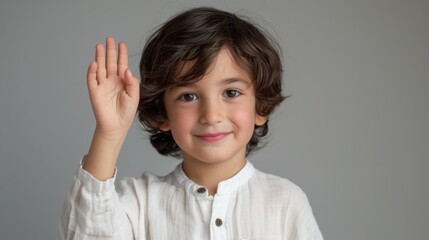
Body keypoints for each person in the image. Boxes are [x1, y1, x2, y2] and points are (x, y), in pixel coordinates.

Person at [59, 7, 323, 239]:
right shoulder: (140, 203)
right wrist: (109, 133)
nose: (211, 115)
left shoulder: (285, 202)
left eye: (231, 93)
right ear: (162, 113)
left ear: (261, 106)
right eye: (189, 96)